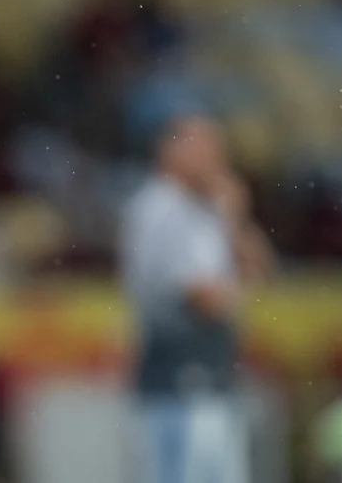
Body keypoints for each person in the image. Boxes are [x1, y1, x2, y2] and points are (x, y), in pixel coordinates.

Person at [119, 114, 273, 483]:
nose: (214, 158)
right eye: (201, 146)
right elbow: (206, 301)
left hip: (213, 380)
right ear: (168, 149)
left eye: (217, 147)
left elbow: (262, 268)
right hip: (177, 386)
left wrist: (235, 217)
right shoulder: (158, 209)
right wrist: (241, 289)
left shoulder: (208, 210)